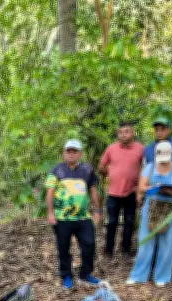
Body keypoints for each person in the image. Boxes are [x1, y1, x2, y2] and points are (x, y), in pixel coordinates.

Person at [127, 141, 172, 286]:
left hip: (171, 207)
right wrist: (152, 188)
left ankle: (162, 276)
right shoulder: (150, 167)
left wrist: (168, 190)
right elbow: (142, 187)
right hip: (152, 205)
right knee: (146, 240)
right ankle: (139, 275)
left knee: (168, 242)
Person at [45, 139, 103, 289]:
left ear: (80, 153)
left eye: (74, 151)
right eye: (68, 151)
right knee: (63, 247)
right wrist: (50, 213)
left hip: (83, 217)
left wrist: (97, 209)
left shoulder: (87, 170)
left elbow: (93, 190)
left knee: (89, 244)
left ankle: (85, 274)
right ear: (64, 153)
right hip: (62, 217)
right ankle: (66, 275)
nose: (71, 154)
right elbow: (50, 192)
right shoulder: (56, 170)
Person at [98, 122, 144, 259]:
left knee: (129, 222)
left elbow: (147, 168)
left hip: (131, 192)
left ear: (133, 133)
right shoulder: (111, 148)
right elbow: (101, 167)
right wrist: (111, 170)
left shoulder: (141, 149)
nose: (123, 134)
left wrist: (140, 187)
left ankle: (126, 249)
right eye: (121, 132)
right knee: (111, 222)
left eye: (127, 131)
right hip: (113, 193)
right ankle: (108, 250)